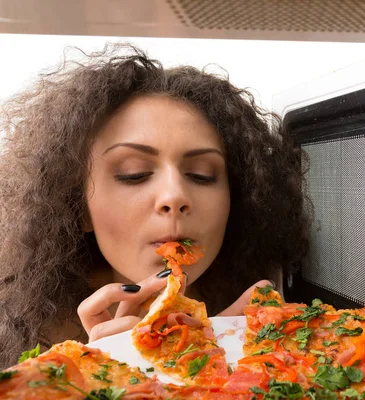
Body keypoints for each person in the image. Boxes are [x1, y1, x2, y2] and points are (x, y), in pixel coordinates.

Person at [0, 43, 312, 369]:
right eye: (133, 174)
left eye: (201, 175)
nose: (174, 196)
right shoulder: (23, 346)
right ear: (78, 207)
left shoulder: (264, 317)